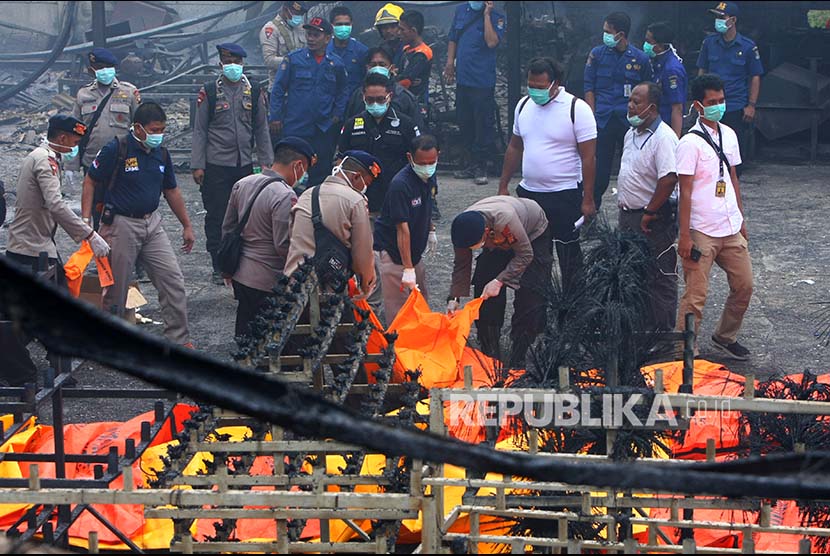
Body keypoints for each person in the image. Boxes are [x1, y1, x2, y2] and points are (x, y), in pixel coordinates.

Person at [81, 102, 195, 347]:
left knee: (173, 281)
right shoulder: (117, 149)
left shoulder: (161, 153)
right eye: (154, 129)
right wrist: (85, 221)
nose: (158, 134)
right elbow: (90, 180)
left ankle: (179, 340)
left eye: (162, 129)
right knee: (116, 291)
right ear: (138, 128)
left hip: (152, 224)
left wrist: (187, 225)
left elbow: (171, 190)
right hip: (121, 225)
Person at [498, 57, 596, 290]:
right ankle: (535, 310)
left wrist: (588, 199)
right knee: (530, 253)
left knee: (568, 253)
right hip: (529, 193)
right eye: (531, 86)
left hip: (565, 194)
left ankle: (575, 306)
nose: (535, 92)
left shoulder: (577, 109)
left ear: (556, 84)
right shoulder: (523, 106)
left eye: (540, 87)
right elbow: (514, 146)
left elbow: (589, 157)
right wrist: (503, 185)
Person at [676, 74, 752, 360]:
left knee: (745, 285)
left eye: (721, 101)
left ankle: (725, 335)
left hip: (729, 225)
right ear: (698, 105)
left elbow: (733, 178)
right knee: (696, 295)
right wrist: (684, 235)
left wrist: (741, 219)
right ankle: (686, 346)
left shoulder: (729, 134)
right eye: (712, 102)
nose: (718, 106)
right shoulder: (689, 143)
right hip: (701, 230)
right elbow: (684, 192)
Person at [191, 43, 272, 285]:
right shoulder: (209, 91)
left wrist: (267, 164)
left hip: (244, 165)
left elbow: (261, 129)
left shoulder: (254, 91)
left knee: (244, 216)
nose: (232, 66)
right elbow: (200, 130)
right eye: (228, 62)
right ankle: (218, 263)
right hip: (216, 164)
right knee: (217, 215)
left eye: (236, 61)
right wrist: (198, 165)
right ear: (220, 64)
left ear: (243, 63)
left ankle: (239, 262)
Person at [221, 137, 315, 337]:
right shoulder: (284, 195)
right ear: (298, 165)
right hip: (267, 278)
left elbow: (228, 227)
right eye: (304, 170)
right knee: (270, 337)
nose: (303, 175)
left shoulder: (243, 183)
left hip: (240, 272)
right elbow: (283, 245)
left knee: (245, 331)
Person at [449, 196, 551, 368]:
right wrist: (454, 298)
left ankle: (520, 351)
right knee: (484, 286)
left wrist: (499, 280)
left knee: (531, 292)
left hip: (532, 234)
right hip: (496, 242)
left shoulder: (505, 220)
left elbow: (525, 255)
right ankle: (490, 350)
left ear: (486, 231)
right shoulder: (462, 231)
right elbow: (461, 265)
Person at [6, 115, 109, 284]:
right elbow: (56, 204)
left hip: (33, 243)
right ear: (62, 138)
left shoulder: (38, 156)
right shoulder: (45, 162)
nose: (75, 149)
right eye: (75, 143)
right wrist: (90, 235)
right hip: (31, 249)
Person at [617, 82, 679, 331]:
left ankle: (662, 336)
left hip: (654, 218)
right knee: (633, 274)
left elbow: (669, 178)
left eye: (636, 102)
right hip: (629, 215)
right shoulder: (630, 133)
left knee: (659, 276)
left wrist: (650, 211)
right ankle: (640, 329)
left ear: (651, 108)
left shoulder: (664, 138)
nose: (630, 106)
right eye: (630, 100)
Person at [285, 151, 382, 298]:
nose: (365, 188)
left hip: (294, 283)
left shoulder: (307, 194)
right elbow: (363, 253)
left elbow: (291, 235)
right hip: (329, 289)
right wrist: (366, 284)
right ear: (356, 176)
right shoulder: (355, 201)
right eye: (366, 183)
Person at [584, 11, 652, 210]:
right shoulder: (596, 54)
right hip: (603, 120)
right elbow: (589, 87)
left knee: (634, 169)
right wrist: (591, 116)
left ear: (620, 34)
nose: (604, 35)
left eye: (608, 31)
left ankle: (635, 212)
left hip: (629, 123)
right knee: (599, 172)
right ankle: (590, 214)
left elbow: (647, 90)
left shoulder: (640, 58)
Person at [270, 17, 348, 188]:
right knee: (292, 169)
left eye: (316, 35)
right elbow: (278, 89)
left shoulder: (336, 63)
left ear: (327, 38)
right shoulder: (294, 60)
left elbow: (343, 91)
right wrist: (275, 116)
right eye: (309, 34)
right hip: (296, 125)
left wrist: (337, 114)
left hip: (323, 127)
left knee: (320, 170)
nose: (311, 39)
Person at [373, 135, 438, 323]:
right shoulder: (400, 186)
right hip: (394, 252)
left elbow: (428, 204)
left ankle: (421, 341)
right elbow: (402, 229)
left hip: (414, 251)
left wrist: (431, 230)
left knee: (420, 298)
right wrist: (407, 268)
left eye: (432, 162)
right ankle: (398, 348)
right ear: (410, 158)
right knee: (399, 308)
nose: (427, 167)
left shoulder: (430, 176)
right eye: (422, 163)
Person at [337, 72, 420, 216]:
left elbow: (417, 161)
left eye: (380, 99)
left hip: (395, 194)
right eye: (370, 99)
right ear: (363, 97)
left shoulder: (406, 124)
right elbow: (340, 160)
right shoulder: (352, 124)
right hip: (360, 197)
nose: (375, 103)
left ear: (390, 96)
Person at [444, 0, 506, 186]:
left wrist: (486, 15)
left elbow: (491, 41)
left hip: (482, 81)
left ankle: (481, 165)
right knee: (465, 121)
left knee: (482, 124)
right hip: (463, 78)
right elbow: (453, 37)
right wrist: (450, 63)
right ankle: (469, 163)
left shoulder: (498, 17)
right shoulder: (461, 10)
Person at [696, 1, 763, 172]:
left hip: (734, 105)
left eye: (721, 17)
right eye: (716, 17)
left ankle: (733, 185)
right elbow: (702, 71)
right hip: (710, 105)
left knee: (733, 151)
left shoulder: (747, 46)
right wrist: (698, 99)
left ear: (733, 20)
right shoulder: (709, 43)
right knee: (708, 147)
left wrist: (751, 105)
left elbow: (755, 76)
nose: (717, 21)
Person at [70, 48, 141, 174]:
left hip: (122, 161)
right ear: (92, 70)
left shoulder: (129, 92)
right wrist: (71, 166)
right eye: (99, 67)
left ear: (113, 68)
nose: (104, 71)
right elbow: (74, 131)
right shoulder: (83, 94)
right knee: (93, 194)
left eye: (107, 67)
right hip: (92, 161)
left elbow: (141, 128)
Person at [344, 46, 422, 127]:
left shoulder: (404, 97)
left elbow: (417, 131)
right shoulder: (358, 96)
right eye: (373, 65)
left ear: (392, 68)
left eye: (382, 64)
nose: (377, 68)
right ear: (367, 67)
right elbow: (348, 126)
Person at [644, 22, 687, 138]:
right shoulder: (656, 62)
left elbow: (677, 108)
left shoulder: (671, 70)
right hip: (654, 126)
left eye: (649, 41)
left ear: (659, 45)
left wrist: (674, 141)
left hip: (666, 128)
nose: (645, 44)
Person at [260, 0, 308, 90]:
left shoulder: (301, 28)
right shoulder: (271, 29)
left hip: (300, 86)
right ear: (285, 10)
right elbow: (269, 60)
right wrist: (294, 61)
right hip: (280, 87)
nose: (298, 17)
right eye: (295, 13)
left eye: (300, 14)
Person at [327, 5, 369, 100]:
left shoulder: (361, 51)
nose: (343, 27)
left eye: (346, 24)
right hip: (329, 102)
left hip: (353, 102)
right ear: (331, 25)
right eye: (339, 24)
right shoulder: (324, 50)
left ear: (352, 24)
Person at [397, 10, 433, 117]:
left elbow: (405, 81)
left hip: (416, 103)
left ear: (413, 30)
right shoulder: (406, 49)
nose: (398, 33)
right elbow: (397, 71)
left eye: (402, 29)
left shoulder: (422, 53)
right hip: (403, 100)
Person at [374, 3, 405, 67]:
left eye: (393, 27)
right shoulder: (379, 51)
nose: (388, 31)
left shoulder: (411, 50)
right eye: (384, 27)